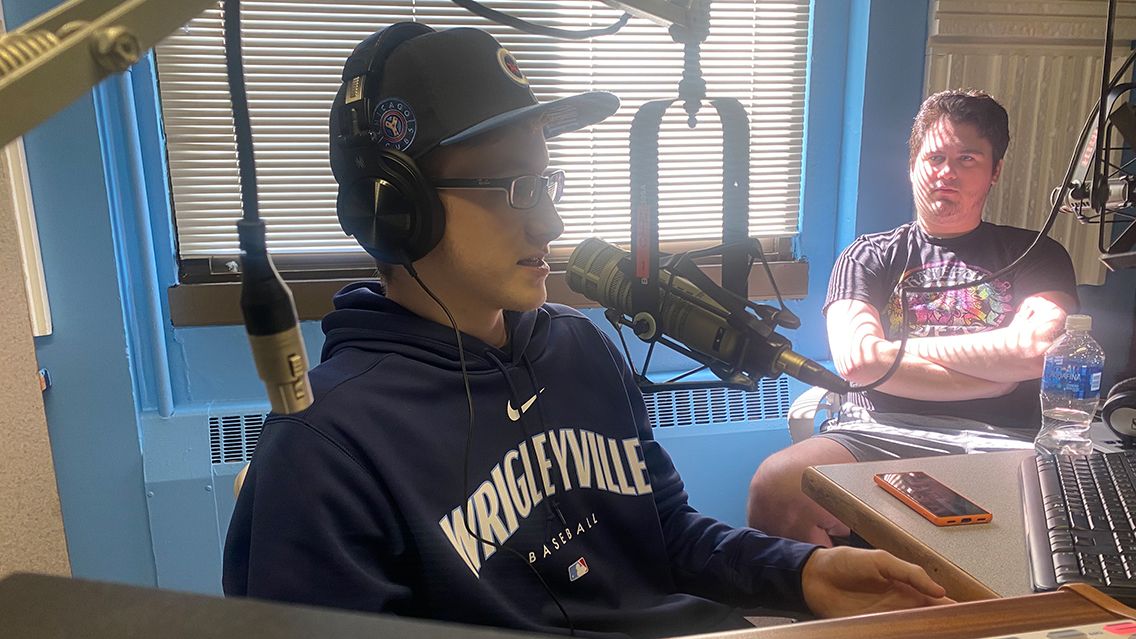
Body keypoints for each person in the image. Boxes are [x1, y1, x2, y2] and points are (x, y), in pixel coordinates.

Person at [222, 23, 953, 638]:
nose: (551, 223)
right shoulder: (326, 445)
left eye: (548, 184)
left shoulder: (578, 345)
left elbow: (663, 532)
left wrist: (801, 571)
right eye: (514, 188)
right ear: (396, 208)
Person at [747, 89, 1079, 545]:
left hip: (1008, 441)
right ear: (912, 165)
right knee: (776, 484)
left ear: (994, 171)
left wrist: (897, 355)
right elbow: (859, 363)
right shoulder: (868, 255)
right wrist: (995, 374)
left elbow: (1038, 349)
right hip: (877, 435)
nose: (947, 173)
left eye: (968, 159)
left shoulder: (1036, 253)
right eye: (935, 157)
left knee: (1064, 528)